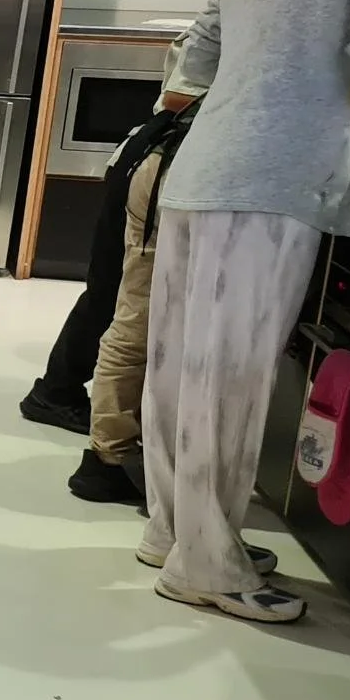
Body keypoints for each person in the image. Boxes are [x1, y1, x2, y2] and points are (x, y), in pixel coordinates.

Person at [136, 0, 350, 623]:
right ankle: (206, 564)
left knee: (182, 367)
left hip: (202, 172)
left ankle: (174, 532)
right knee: (230, 379)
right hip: (273, 188)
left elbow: (196, 50)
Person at [67, 97, 200, 506]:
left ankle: (113, 455)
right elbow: (178, 96)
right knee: (139, 320)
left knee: (135, 315)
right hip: (182, 166)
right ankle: (113, 457)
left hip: (168, 159)